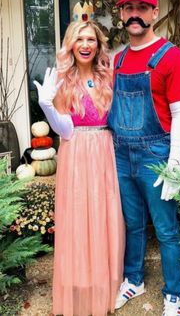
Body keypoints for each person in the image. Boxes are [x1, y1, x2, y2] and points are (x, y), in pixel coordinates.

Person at [107, 0, 180, 316]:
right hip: (121, 155)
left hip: (156, 155)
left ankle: (173, 295)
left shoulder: (172, 58)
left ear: (154, 12)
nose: (134, 15)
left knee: (167, 229)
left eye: (142, 8)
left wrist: (175, 163)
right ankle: (134, 280)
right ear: (121, 15)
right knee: (132, 224)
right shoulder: (117, 60)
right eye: (128, 8)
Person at [34, 20, 125, 316]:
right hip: (76, 152)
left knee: (103, 215)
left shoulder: (107, 76)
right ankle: (79, 287)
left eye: (91, 39)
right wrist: (47, 105)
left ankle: (103, 285)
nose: (86, 45)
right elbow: (66, 130)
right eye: (79, 39)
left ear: (98, 44)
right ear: (70, 45)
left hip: (104, 152)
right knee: (78, 218)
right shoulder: (61, 79)